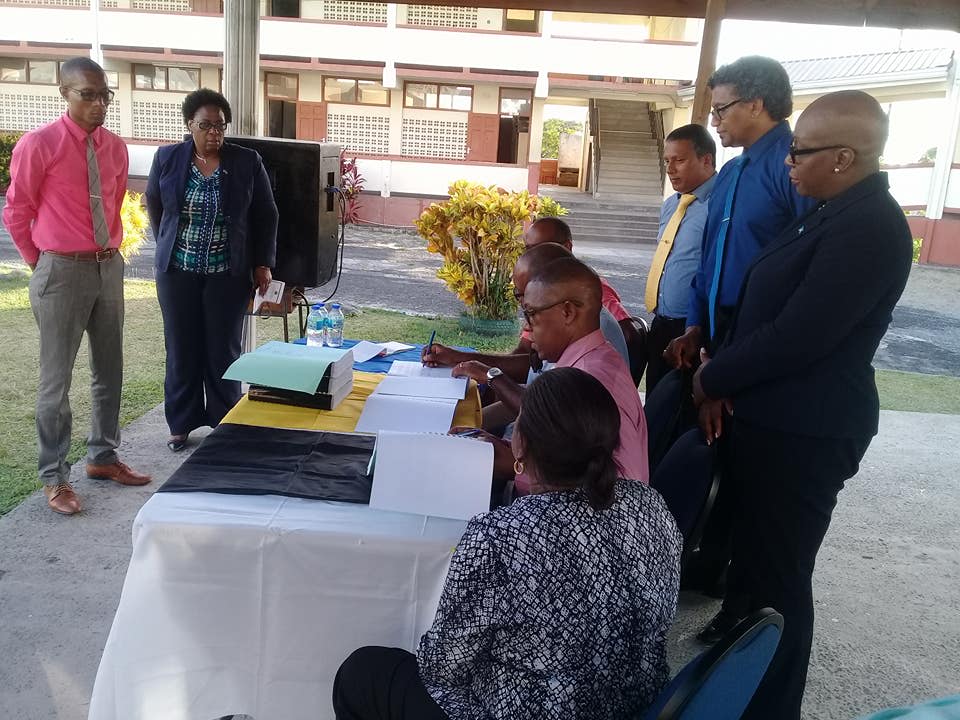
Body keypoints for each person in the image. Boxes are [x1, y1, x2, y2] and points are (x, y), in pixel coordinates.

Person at [691, 90, 913, 720]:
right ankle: (741, 686)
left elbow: (800, 335)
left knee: (779, 580)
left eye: (800, 150)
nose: (787, 160)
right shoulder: (828, 208)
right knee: (757, 568)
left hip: (806, 430)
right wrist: (718, 366)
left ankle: (770, 706)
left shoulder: (871, 226)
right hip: (770, 416)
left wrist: (714, 378)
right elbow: (764, 300)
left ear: (844, 157)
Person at [333, 367, 682, 720]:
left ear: (520, 443)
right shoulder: (650, 503)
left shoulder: (500, 536)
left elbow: (442, 667)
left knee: (361, 673)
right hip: (636, 706)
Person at [663, 57, 817, 635]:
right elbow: (711, 262)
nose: (714, 119)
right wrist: (698, 331)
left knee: (752, 462)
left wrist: (731, 366)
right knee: (718, 448)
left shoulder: (791, 169)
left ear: (757, 104)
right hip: (718, 330)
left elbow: (802, 271)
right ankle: (714, 569)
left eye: (722, 107)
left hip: (761, 337)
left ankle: (738, 593)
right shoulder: (729, 173)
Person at [2, 56, 151, 515]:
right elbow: (17, 210)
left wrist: (111, 254)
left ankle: (103, 457)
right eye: (87, 94)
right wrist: (42, 263)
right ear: (63, 93)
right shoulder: (38, 144)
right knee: (56, 381)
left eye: (104, 94)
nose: (98, 103)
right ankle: (55, 477)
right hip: (60, 270)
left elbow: (112, 204)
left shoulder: (115, 148)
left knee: (110, 369)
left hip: (108, 266)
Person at [146, 88, 278, 452]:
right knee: (181, 347)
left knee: (223, 349)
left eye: (220, 126)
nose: (214, 134)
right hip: (177, 273)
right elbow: (156, 204)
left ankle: (224, 420)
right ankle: (181, 423)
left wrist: (262, 263)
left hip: (227, 273)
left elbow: (266, 213)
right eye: (205, 126)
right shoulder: (168, 158)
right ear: (189, 124)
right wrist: (168, 243)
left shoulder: (246, 161)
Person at [453, 256, 649, 493]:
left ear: (567, 312)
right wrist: (502, 448)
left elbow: (621, 487)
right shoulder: (586, 361)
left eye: (531, 315)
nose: (526, 328)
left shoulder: (594, 382)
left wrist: (515, 467)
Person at [422, 242, 629, 383]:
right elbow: (532, 376)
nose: (527, 324)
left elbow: (541, 410)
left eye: (528, 304)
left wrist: (492, 377)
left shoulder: (590, 357)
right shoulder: (566, 329)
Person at [643, 123, 716, 394]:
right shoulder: (672, 204)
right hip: (661, 322)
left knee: (680, 406)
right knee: (656, 400)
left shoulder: (717, 205)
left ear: (706, 159)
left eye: (680, 160)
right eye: (667, 161)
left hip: (692, 328)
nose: (670, 169)